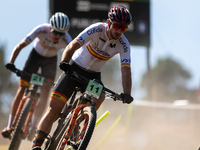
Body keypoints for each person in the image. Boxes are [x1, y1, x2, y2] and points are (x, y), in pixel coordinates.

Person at [31, 5, 133, 150]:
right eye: (117, 26)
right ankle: (37, 144)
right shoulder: (97, 29)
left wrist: (127, 93)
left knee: (100, 96)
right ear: (108, 22)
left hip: (93, 75)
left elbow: (126, 70)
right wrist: (65, 62)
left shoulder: (124, 44)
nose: (119, 31)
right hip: (75, 67)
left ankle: (80, 122)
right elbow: (73, 45)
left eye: (123, 28)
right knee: (54, 109)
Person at [1, 12, 72, 140]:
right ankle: (10, 125)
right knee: (21, 89)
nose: (58, 36)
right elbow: (20, 45)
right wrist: (11, 62)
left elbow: (73, 56)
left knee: (45, 92)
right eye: (56, 32)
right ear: (50, 28)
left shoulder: (67, 39)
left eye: (62, 34)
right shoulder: (41, 29)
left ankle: (34, 127)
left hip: (50, 62)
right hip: (35, 57)